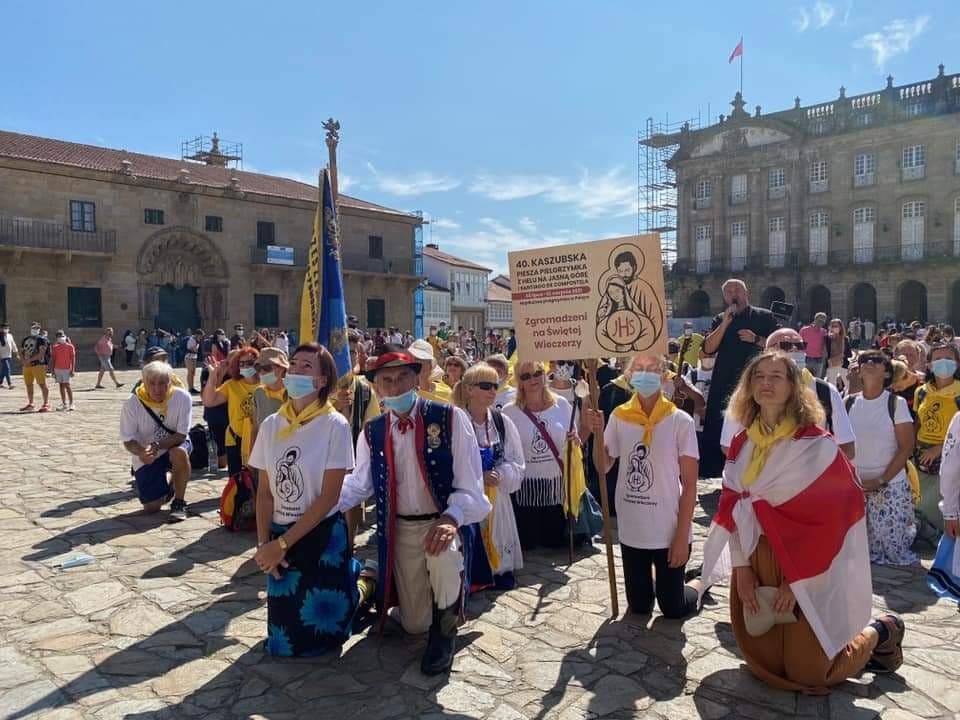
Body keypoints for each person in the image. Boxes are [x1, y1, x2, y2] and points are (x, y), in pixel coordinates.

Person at [699, 351, 905, 691]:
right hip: (756, 558)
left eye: (776, 376)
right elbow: (734, 508)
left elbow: (834, 519)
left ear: (794, 387)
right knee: (763, 659)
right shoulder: (742, 443)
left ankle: (882, 630)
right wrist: (743, 569)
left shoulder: (817, 447)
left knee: (809, 673)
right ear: (748, 386)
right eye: (759, 375)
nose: (766, 382)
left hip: (807, 564)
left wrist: (794, 582)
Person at [338, 345, 490, 675]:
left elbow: (471, 484)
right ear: (377, 387)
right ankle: (375, 578)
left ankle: (445, 635)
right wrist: (316, 506)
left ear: (417, 378)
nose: (394, 388)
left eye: (402, 378)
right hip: (399, 529)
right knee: (414, 625)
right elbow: (359, 484)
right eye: (386, 380)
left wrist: (452, 517)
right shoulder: (373, 431)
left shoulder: (450, 418)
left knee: (443, 554)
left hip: (441, 519)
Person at [249, 342, 358, 656]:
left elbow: (329, 496)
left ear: (322, 380)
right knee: (282, 643)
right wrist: (263, 545)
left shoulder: (334, 425)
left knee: (324, 635)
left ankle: (363, 582)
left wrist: (281, 545)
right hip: (281, 532)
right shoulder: (271, 426)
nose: (295, 370)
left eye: (306, 366)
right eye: (293, 364)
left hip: (320, 532)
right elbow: (265, 492)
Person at [586, 354, 703, 619]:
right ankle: (657, 578)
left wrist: (682, 535)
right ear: (629, 377)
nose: (645, 374)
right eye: (638, 369)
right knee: (640, 608)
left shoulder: (679, 421)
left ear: (664, 377)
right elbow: (603, 466)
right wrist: (597, 434)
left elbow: (690, 484)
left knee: (673, 609)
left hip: (668, 529)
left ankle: (700, 581)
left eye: (652, 369)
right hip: (633, 528)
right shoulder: (620, 416)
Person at [720, 328, 856, 460]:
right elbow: (728, 445)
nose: (794, 349)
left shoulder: (824, 390)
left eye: (800, 345)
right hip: (760, 477)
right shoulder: (749, 391)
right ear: (767, 353)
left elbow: (847, 445)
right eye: (786, 345)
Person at [453, 363, 525, 590]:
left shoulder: (501, 422)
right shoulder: (455, 421)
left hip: (497, 496)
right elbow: (450, 462)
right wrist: (477, 476)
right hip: (468, 494)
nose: (493, 390)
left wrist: (501, 473)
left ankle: (499, 569)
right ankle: (474, 574)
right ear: (470, 389)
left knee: (497, 532)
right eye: (486, 385)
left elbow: (516, 459)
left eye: (495, 385)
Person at [844, 350, 917, 565]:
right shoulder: (847, 402)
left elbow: (906, 447)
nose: (869, 363)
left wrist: (881, 480)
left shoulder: (896, 404)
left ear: (886, 373)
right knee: (857, 550)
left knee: (892, 551)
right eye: (865, 360)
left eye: (877, 361)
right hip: (856, 487)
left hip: (889, 485)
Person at [700, 279, 779, 477]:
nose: (733, 294)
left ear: (747, 293)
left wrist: (756, 339)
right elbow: (708, 348)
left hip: (756, 379)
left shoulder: (764, 316)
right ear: (725, 297)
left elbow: (779, 346)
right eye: (728, 291)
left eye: (737, 290)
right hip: (725, 378)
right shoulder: (720, 319)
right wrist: (726, 322)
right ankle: (721, 470)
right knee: (722, 423)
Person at [502, 359, 577, 550]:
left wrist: (574, 439)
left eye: (537, 373)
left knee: (554, 543)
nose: (533, 379)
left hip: (556, 485)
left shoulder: (561, 404)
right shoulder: (509, 411)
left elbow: (575, 438)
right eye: (526, 376)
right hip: (526, 488)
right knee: (528, 543)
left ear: (544, 374)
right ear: (519, 381)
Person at [119, 361, 191, 521]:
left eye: (162, 383)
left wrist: (158, 445)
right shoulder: (132, 403)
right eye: (152, 384)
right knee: (152, 507)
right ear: (144, 383)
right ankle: (170, 478)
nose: (157, 389)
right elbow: (128, 439)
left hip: (174, 443)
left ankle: (179, 502)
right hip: (145, 450)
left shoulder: (182, 398)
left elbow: (181, 435)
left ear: (170, 382)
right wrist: (141, 452)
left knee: (179, 452)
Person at [913, 343, 960, 535]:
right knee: (922, 504)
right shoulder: (922, 391)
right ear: (929, 365)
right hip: (922, 457)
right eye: (938, 359)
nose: (943, 363)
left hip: (951, 455)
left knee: (943, 504)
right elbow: (917, 421)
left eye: (949, 359)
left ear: (957, 363)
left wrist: (939, 448)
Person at [202, 347, 261, 476]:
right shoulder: (231, 385)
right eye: (242, 363)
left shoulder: (266, 385)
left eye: (250, 363)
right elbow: (209, 401)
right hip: (235, 439)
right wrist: (213, 374)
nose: (245, 366)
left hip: (259, 439)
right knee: (237, 480)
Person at [249, 348, 289, 452]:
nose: (262, 371)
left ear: (282, 368)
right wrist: (252, 454)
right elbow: (255, 427)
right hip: (263, 452)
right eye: (258, 367)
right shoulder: (258, 392)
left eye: (266, 368)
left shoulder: (292, 394)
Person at [20, 322, 50, 412]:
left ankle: (46, 403)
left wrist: (30, 360)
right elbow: (22, 351)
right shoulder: (25, 339)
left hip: (38, 365)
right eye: (33, 328)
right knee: (28, 384)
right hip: (27, 366)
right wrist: (23, 361)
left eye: (37, 328)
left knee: (42, 384)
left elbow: (41, 353)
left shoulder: (42, 340)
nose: (35, 330)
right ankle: (31, 403)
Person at [50, 330, 76, 411]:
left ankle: (71, 403)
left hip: (67, 368)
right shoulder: (55, 347)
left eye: (61, 335)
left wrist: (72, 369)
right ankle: (64, 403)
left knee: (67, 385)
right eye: (58, 336)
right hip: (58, 368)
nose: (60, 337)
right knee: (61, 385)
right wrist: (53, 370)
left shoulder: (70, 346)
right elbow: (53, 359)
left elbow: (73, 358)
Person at [825, 319, 852, 390]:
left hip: (843, 365)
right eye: (832, 326)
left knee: (848, 386)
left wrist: (841, 355)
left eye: (836, 326)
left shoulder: (845, 339)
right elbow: (825, 352)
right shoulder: (827, 339)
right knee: (832, 388)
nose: (834, 328)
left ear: (840, 327)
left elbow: (849, 354)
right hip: (831, 365)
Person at [799, 313, 828, 379]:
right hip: (806, 359)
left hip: (818, 360)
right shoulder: (804, 330)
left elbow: (825, 346)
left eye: (823, 321)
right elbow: (799, 344)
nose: (821, 323)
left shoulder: (824, 332)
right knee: (803, 380)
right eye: (820, 320)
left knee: (817, 381)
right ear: (815, 319)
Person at [0, 322, 17, 389]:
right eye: (4, 328)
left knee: (4, 370)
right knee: (7, 369)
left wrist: (16, 352)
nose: (5, 329)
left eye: (7, 328)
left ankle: (0, 382)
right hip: (2, 356)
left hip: (9, 355)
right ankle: (10, 384)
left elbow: (13, 344)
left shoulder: (10, 335)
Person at [185, 329, 202, 393]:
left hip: (194, 357)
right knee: (190, 373)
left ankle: (192, 387)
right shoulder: (191, 340)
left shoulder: (197, 340)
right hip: (189, 357)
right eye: (200, 336)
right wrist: (195, 348)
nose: (201, 337)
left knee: (193, 373)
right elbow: (191, 349)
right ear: (197, 335)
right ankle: (190, 388)